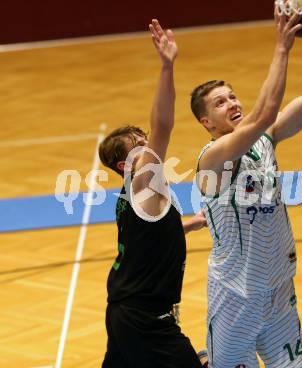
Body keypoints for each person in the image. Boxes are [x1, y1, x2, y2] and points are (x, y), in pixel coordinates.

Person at [191, 7, 302, 368]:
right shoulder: (213, 158)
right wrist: (282, 48)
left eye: (233, 96)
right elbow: (266, 112)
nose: (233, 103)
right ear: (207, 123)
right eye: (220, 103)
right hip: (236, 292)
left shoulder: (264, 139)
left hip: (278, 281)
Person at [99, 19, 206, 368]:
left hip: (124, 312)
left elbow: (146, 240)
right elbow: (163, 124)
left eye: (146, 143)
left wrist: (188, 225)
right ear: (123, 165)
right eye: (140, 147)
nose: (149, 149)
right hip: (146, 321)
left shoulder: (137, 197)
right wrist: (167, 65)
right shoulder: (142, 182)